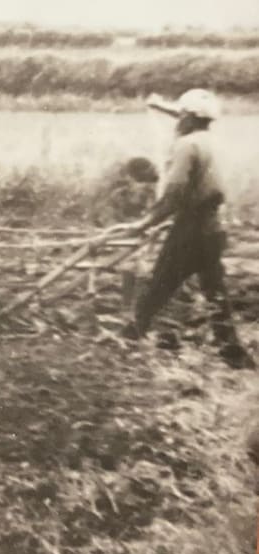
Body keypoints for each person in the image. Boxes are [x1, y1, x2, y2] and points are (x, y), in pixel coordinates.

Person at [120, 89, 255, 369]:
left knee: (159, 284)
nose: (177, 119)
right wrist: (160, 106)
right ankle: (235, 355)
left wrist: (145, 222)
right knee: (214, 291)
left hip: (190, 229)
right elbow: (189, 116)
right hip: (214, 228)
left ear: (188, 117)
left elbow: (175, 192)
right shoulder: (210, 140)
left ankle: (130, 337)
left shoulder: (185, 146)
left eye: (180, 115)